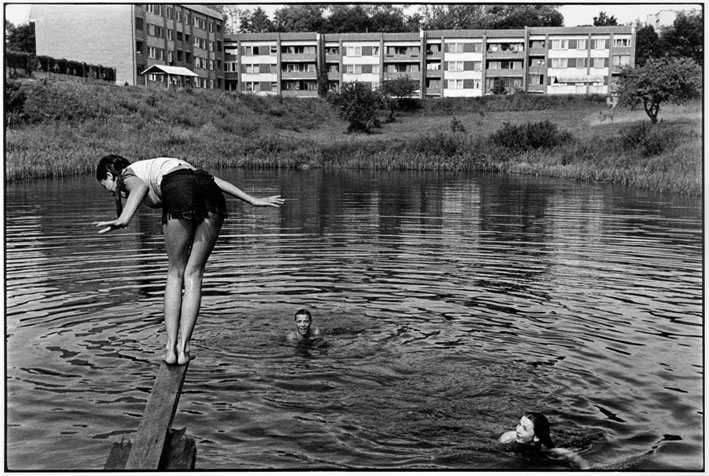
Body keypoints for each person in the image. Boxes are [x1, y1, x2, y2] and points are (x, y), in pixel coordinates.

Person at [94, 155, 284, 365]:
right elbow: (212, 181)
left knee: (175, 273)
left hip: (180, 190)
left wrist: (124, 219)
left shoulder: (129, 173)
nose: (112, 192)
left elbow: (139, 189)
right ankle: (183, 349)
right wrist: (251, 200)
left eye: (106, 187)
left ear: (111, 175)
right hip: (210, 193)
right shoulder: (173, 166)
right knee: (194, 273)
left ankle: (170, 349)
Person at [499, 411, 590, 469]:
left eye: (525, 429)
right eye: (519, 424)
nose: (518, 430)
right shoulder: (509, 436)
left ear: (536, 437)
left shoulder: (550, 449)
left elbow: (580, 460)